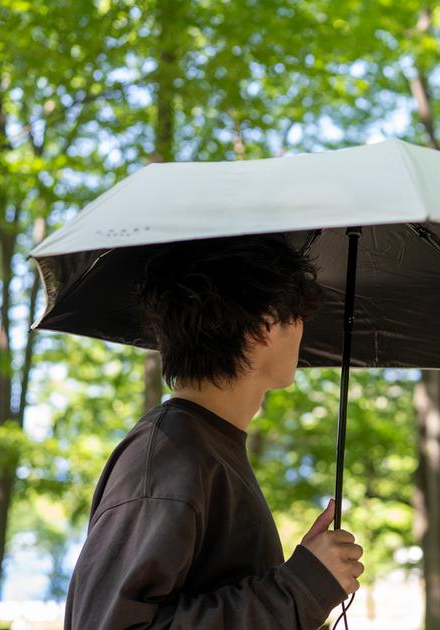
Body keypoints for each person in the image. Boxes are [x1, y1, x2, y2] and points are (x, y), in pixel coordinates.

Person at [64, 234, 363, 629]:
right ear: (263, 327)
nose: (303, 331)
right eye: (298, 316)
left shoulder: (205, 447)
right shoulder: (170, 455)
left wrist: (306, 594)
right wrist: (301, 588)